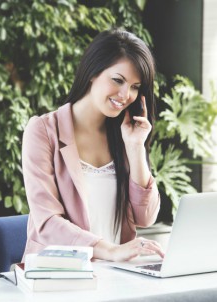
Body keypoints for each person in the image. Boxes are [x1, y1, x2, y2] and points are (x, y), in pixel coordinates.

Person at [22, 28, 165, 262]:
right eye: (118, 80)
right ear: (92, 72)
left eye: (135, 86)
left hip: (118, 277)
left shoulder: (125, 134)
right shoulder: (43, 131)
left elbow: (146, 217)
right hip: (60, 274)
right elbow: (47, 222)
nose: (125, 94)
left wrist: (136, 148)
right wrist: (110, 251)